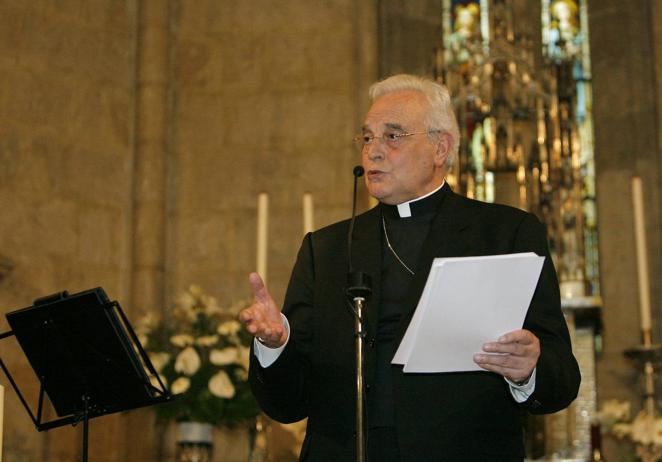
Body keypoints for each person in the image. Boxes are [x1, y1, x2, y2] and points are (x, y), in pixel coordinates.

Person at [239, 74, 580, 461]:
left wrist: (528, 368)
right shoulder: (326, 249)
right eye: (367, 138)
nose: (373, 151)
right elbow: (288, 404)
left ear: (441, 148)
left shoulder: (506, 233)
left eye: (393, 136)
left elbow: (562, 379)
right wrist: (275, 343)